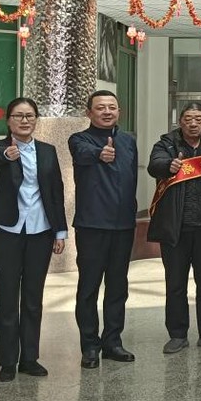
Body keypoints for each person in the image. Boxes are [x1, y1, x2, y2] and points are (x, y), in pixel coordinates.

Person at [0, 97, 67, 382]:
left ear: (36, 119)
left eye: (30, 115)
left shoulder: (47, 150)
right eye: (18, 116)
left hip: (40, 231)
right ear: (9, 121)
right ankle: (7, 361)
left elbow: (55, 191)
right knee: (7, 296)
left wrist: (60, 231)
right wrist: (8, 154)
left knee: (33, 297)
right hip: (7, 232)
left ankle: (29, 358)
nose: (25, 120)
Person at [146, 103, 201, 355]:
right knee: (175, 284)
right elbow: (154, 165)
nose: (193, 123)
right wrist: (167, 166)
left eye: (198, 119)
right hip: (175, 229)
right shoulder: (166, 145)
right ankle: (177, 335)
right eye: (188, 119)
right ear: (180, 121)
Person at [69, 90, 139, 369]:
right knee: (89, 287)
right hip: (92, 225)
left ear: (119, 111)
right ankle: (89, 345)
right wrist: (100, 153)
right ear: (89, 113)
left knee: (118, 287)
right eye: (100, 108)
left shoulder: (128, 141)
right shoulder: (79, 140)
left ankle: (112, 342)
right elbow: (83, 154)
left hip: (123, 225)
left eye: (112, 107)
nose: (107, 111)